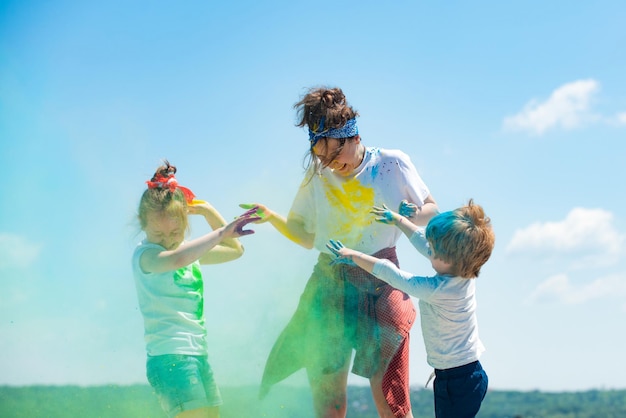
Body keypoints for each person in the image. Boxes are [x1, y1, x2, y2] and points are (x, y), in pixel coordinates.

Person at [241, 86, 438, 418]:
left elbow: (431, 209)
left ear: (352, 136)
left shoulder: (391, 164)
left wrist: (408, 217)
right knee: (329, 398)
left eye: (335, 156)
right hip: (330, 283)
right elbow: (304, 235)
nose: (331, 165)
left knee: (389, 394)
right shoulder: (317, 176)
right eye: (322, 158)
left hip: (381, 278)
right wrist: (272, 216)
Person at [326, 199, 495, 418]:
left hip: (460, 380)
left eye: (432, 250)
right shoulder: (461, 268)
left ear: (448, 258)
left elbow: (393, 275)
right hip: (456, 375)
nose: (428, 249)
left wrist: (354, 256)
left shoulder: (442, 289)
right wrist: (397, 220)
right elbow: (422, 240)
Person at [132, 160, 259, 418]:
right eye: (158, 234)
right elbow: (176, 260)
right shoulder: (146, 256)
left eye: (175, 232)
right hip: (170, 359)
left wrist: (208, 211)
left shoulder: (188, 253)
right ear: (142, 224)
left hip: (197, 355)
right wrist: (222, 232)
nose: (167, 241)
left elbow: (236, 251)